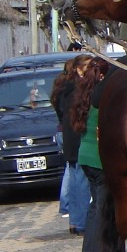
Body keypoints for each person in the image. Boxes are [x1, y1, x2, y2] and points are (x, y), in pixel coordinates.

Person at [72, 57, 110, 252]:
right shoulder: (102, 97)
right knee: (103, 209)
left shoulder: (82, 95)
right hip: (99, 158)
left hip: (85, 156)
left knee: (94, 207)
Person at [53, 54, 92, 235]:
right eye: (88, 66)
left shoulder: (63, 88)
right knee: (81, 181)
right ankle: (81, 221)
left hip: (69, 137)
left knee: (76, 179)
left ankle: (75, 221)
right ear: (78, 69)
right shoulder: (78, 89)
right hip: (77, 137)